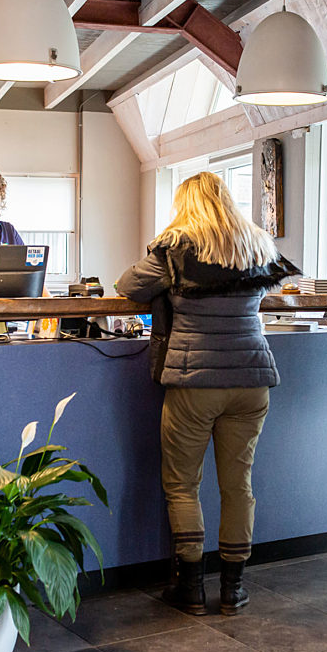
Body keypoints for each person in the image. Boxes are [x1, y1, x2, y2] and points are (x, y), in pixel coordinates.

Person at [116, 171, 299, 616]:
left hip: (195, 380)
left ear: (186, 204)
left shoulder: (177, 247)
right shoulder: (256, 244)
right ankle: (234, 589)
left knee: (182, 484)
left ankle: (191, 588)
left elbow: (128, 286)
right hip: (252, 379)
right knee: (239, 485)